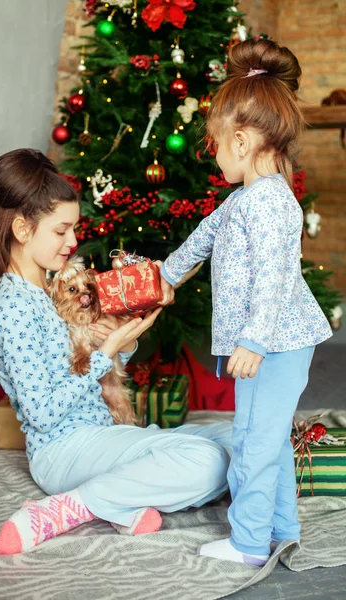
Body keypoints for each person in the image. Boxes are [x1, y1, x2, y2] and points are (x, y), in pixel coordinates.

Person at [0, 148, 232, 555]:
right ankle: (67, 508)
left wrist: (123, 343)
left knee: (237, 437)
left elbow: (86, 366)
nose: (74, 240)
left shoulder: (49, 290)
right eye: (61, 230)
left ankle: (118, 497)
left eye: (73, 229)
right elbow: (40, 412)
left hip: (101, 436)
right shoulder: (12, 305)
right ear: (23, 230)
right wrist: (105, 352)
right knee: (209, 462)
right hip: (62, 451)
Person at [159, 38, 332, 566]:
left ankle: (249, 541)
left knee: (254, 443)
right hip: (264, 344)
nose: (213, 154)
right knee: (269, 438)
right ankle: (281, 527)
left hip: (277, 343)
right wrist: (164, 276)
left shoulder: (274, 203)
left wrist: (254, 340)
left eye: (214, 143)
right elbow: (201, 240)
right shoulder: (241, 201)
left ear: (239, 140)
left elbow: (277, 279)